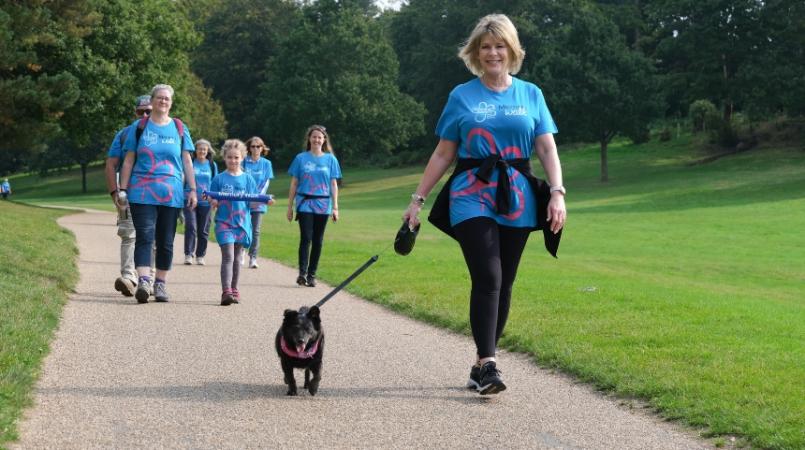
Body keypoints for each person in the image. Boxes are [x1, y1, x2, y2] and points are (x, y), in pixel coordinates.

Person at [402, 14, 566, 395]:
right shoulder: (461, 96)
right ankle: (490, 363)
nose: (493, 53)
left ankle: (480, 365)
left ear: (512, 50)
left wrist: (557, 192)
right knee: (489, 275)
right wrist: (417, 200)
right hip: (470, 193)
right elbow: (444, 153)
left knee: (504, 283)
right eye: (486, 47)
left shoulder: (531, 94)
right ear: (476, 53)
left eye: (499, 46)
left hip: (518, 196)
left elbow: (546, 148)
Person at [118, 83, 197, 303]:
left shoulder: (179, 128)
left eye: (167, 98)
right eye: (159, 97)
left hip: (171, 194)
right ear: (152, 101)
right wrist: (122, 190)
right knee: (145, 236)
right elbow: (128, 160)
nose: (163, 101)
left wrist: (192, 189)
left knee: (166, 241)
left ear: (171, 103)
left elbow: (187, 161)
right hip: (142, 193)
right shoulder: (139, 127)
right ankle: (144, 281)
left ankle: (160, 283)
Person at [104, 95, 151, 297]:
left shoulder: (164, 133)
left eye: (149, 111)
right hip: (128, 194)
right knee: (128, 234)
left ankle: (149, 280)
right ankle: (129, 278)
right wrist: (115, 193)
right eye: (141, 111)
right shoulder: (124, 134)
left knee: (152, 236)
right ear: (135, 112)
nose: (145, 115)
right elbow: (111, 164)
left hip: (155, 195)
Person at [286, 125, 341, 288]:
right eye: (314, 137)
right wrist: (289, 207)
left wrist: (335, 207)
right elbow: (294, 183)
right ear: (309, 139)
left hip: (323, 204)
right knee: (306, 238)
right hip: (305, 203)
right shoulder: (300, 158)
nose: (316, 140)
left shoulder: (330, 159)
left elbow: (334, 184)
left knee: (318, 240)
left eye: (319, 137)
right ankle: (302, 274)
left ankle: (312, 275)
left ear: (324, 140)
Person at [209, 139, 258, 306]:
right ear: (224, 158)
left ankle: (234, 289)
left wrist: (265, 201)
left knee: (237, 258)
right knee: (228, 256)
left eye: (236, 157)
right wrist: (213, 201)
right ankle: (226, 291)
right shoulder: (219, 179)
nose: (233, 160)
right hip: (224, 223)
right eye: (229, 157)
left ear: (242, 158)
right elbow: (213, 198)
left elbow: (254, 202)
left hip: (242, 224)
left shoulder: (248, 180)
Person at [183, 139, 218, 266]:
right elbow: (183, 179)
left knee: (203, 230)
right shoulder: (190, 163)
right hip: (189, 199)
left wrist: (214, 198)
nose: (202, 151)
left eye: (204, 149)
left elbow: (215, 183)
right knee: (191, 226)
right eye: (199, 149)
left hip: (206, 202)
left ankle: (200, 255)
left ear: (208, 151)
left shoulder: (212, 165)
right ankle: (188, 254)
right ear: (195, 150)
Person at [242, 136, 274, 269]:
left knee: (255, 230)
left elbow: (266, 181)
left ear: (262, 148)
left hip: (259, 201)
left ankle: (253, 257)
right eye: (253, 146)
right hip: (244, 200)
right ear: (249, 148)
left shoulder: (266, 163)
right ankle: (241, 251)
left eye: (258, 146)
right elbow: (240, 178)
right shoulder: (244, 161)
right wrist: (247, 196)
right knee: (243, 227)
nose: (255, 149)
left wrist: (258, 197)